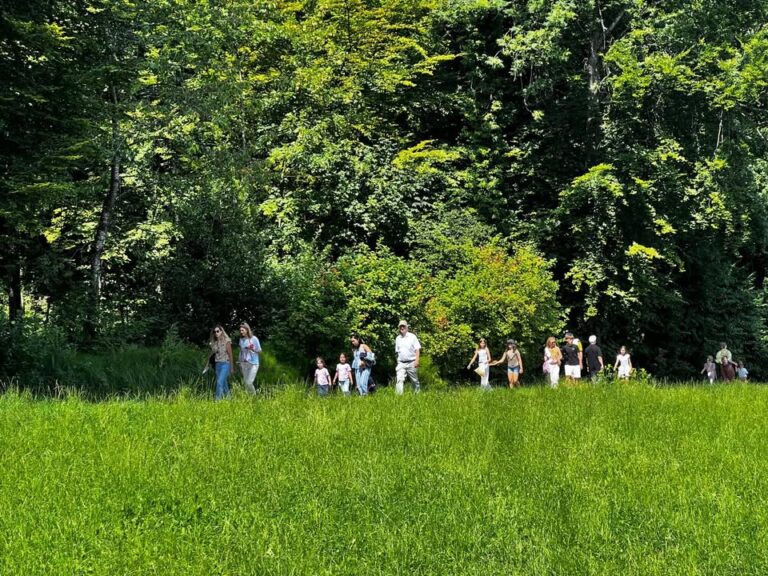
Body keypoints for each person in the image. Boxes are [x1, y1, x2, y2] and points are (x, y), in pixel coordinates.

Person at [395, 320, 421, 394]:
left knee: (414, 380)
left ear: (407, 327)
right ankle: (398, 397)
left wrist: (417, 361)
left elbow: (417, 349)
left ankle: (417, 395)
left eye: (403, 326)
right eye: (400, 326)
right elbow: (397, 351)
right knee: (399, 379)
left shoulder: (412, 337)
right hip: (401, 363)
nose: (402, 328)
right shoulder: (398, 338)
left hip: (411, 362)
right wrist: (398, 362)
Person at [208, 324, 234, 400]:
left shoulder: (227, 341)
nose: (216, 333)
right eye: (214, 332)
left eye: (218, 331)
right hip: (217, 365)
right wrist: (207, 364)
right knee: (224, 383)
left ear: (221, 331)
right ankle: (229, 398)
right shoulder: (215, 343)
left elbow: (230, 355)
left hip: (225, 364)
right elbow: (211, 354)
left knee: (219, 382)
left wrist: (231, 368)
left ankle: (217, 401)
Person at [237, 322, 261, 395]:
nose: (241, 332)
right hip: (244, 363)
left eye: (242, 330)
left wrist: (252, 349)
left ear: (247, 330)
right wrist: (239, 362)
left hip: (253, 363)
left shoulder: (254, 339)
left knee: (249, 382)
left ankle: (254, 398)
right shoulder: (241, 340)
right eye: (240, 330)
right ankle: (249, 399)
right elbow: (241, 352)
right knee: (245, 383)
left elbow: (259, 350)